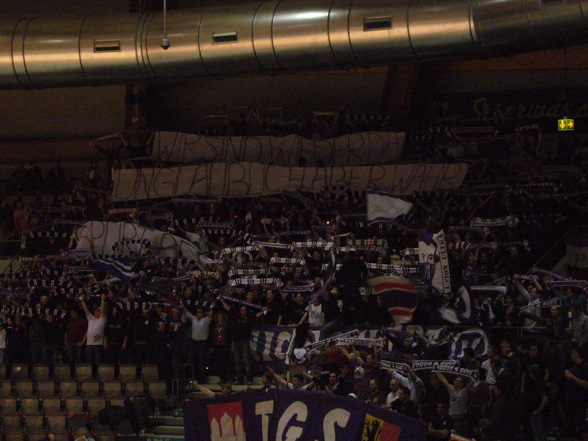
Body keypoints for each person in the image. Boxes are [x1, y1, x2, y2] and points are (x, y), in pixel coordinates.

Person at [181, 304, 212, 382]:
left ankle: (202, 379)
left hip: (202, 343)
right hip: (193, 342)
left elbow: (210, 315)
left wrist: (210, 311)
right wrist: (183, 306)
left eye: (200, 312)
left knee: (201, 361)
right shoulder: (194, 319)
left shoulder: (205, 320)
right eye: (197, 312)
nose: (198, 314)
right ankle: (192, 377)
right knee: (192, 360)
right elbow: (188, 313)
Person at [80, 294, 107, 366]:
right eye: (95, 311)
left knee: (98, 361)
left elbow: (103, 310)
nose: (96, 312)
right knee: (89, 362)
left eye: (98, 311)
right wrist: (82, 301)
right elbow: (86, 311)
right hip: (89, 343)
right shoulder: (91, 319)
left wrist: (103, 300)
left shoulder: (102, 319)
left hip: (98, 344)